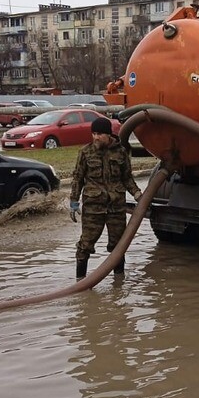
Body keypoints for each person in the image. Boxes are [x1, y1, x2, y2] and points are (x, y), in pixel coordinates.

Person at [69, 116, 142, 279]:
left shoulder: (121, 152)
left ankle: (118, 282)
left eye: (99, 134)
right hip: (93, 206)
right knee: (85, 245)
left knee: (118, 246)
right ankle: (80, 281)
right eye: (93, 133)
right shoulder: (85, 152)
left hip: (116, 207)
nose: (96, 137)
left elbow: (127, 178)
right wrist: (73, 201)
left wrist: (138, 194)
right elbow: (77, 178)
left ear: (108, 135)